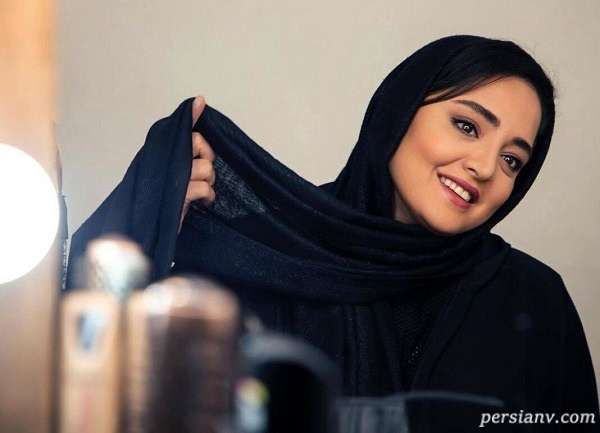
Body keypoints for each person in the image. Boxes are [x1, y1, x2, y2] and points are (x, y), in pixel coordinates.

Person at [66, 35, 599, 431]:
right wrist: (148, 215)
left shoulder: (535, 301)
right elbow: (105, 388)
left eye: (511, 160)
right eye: (467, 126)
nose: (484, 167)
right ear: (398, 111)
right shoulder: (265, 257)